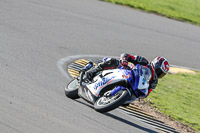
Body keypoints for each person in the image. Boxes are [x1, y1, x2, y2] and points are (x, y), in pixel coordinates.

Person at [86, 53, 170, 103]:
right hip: (125, 70)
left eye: (162, 74)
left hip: (133, 85)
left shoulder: (154, 81)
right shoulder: (144, 61)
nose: (160, 75)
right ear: (156, 64)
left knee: (128, 101)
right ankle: (93, 70)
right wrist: (124, 62)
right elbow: (126, 55)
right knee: (113, 61)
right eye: (160, 71)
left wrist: (142, 95)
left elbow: (147, 92)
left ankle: (115, 98)